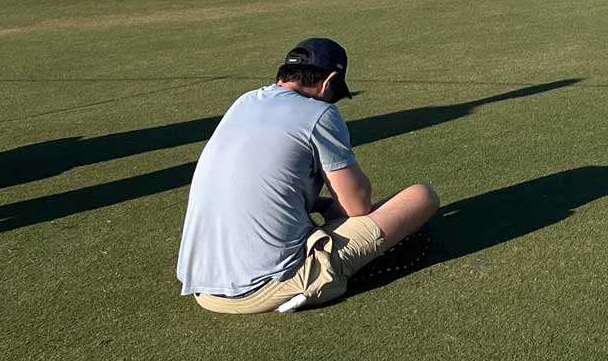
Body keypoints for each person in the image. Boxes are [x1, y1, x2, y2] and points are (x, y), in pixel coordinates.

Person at [177, 38, 439, 314]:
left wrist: (320, 204)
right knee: (421, 197)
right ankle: (322, 281)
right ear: (329, 81)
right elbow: (356, 206)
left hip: (203, 290)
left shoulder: (245, 101)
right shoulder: (320, 112)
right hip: (267, 286)